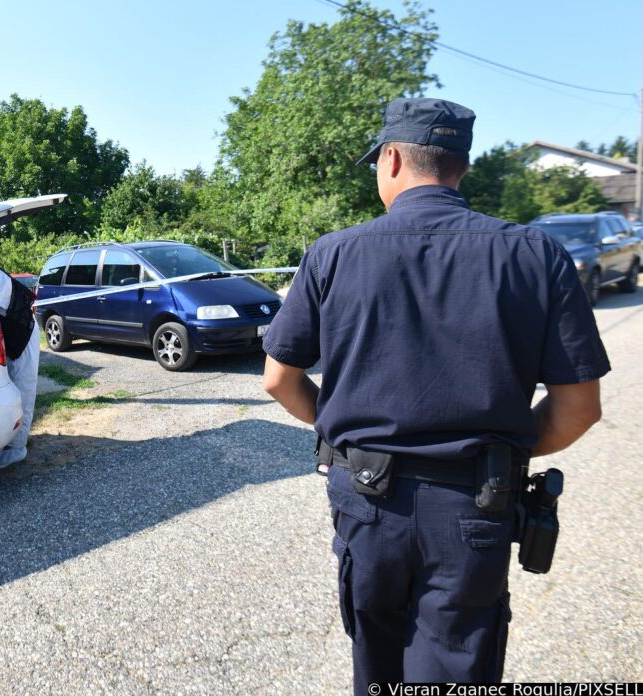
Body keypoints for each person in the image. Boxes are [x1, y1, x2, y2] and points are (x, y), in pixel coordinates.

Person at [261, 98, 609, 689]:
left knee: (377, 665)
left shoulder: (333, 253)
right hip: (477, 503)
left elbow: (278, 379)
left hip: (367, 503)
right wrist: (501, 451)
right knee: (457, 669)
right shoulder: (536, 254)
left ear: (391, 158)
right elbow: (581, 407)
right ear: (461, 168)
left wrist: (343, 432)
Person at [0, 262, 40, 469]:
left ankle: (17, 447)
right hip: (8, 332)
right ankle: (5, 438)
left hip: (24, 331)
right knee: (6, 387)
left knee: (24, 387)